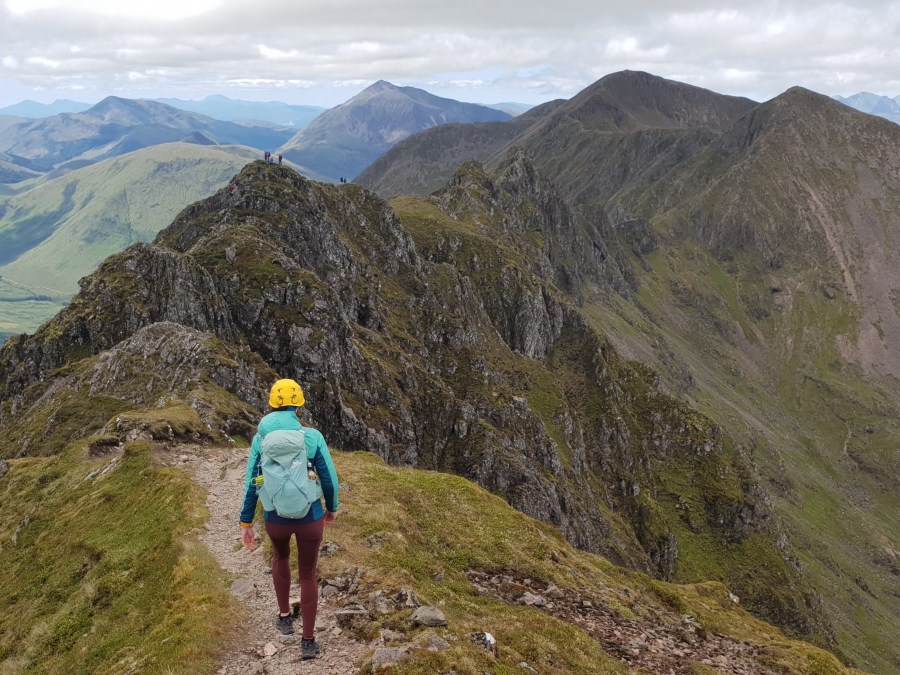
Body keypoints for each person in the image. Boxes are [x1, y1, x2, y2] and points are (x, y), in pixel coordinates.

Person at [240, 378, 339, 660]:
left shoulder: (260, 439)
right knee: (308, 572)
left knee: (280, 557)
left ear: (272, 403)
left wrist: (246, 522)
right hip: (310, 515)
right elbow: (329, 478)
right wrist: (331, 507)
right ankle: (308, 641)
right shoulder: (311, 437)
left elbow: (252, 482)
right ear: (298, 404)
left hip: (275, 516)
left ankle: (284, 617)